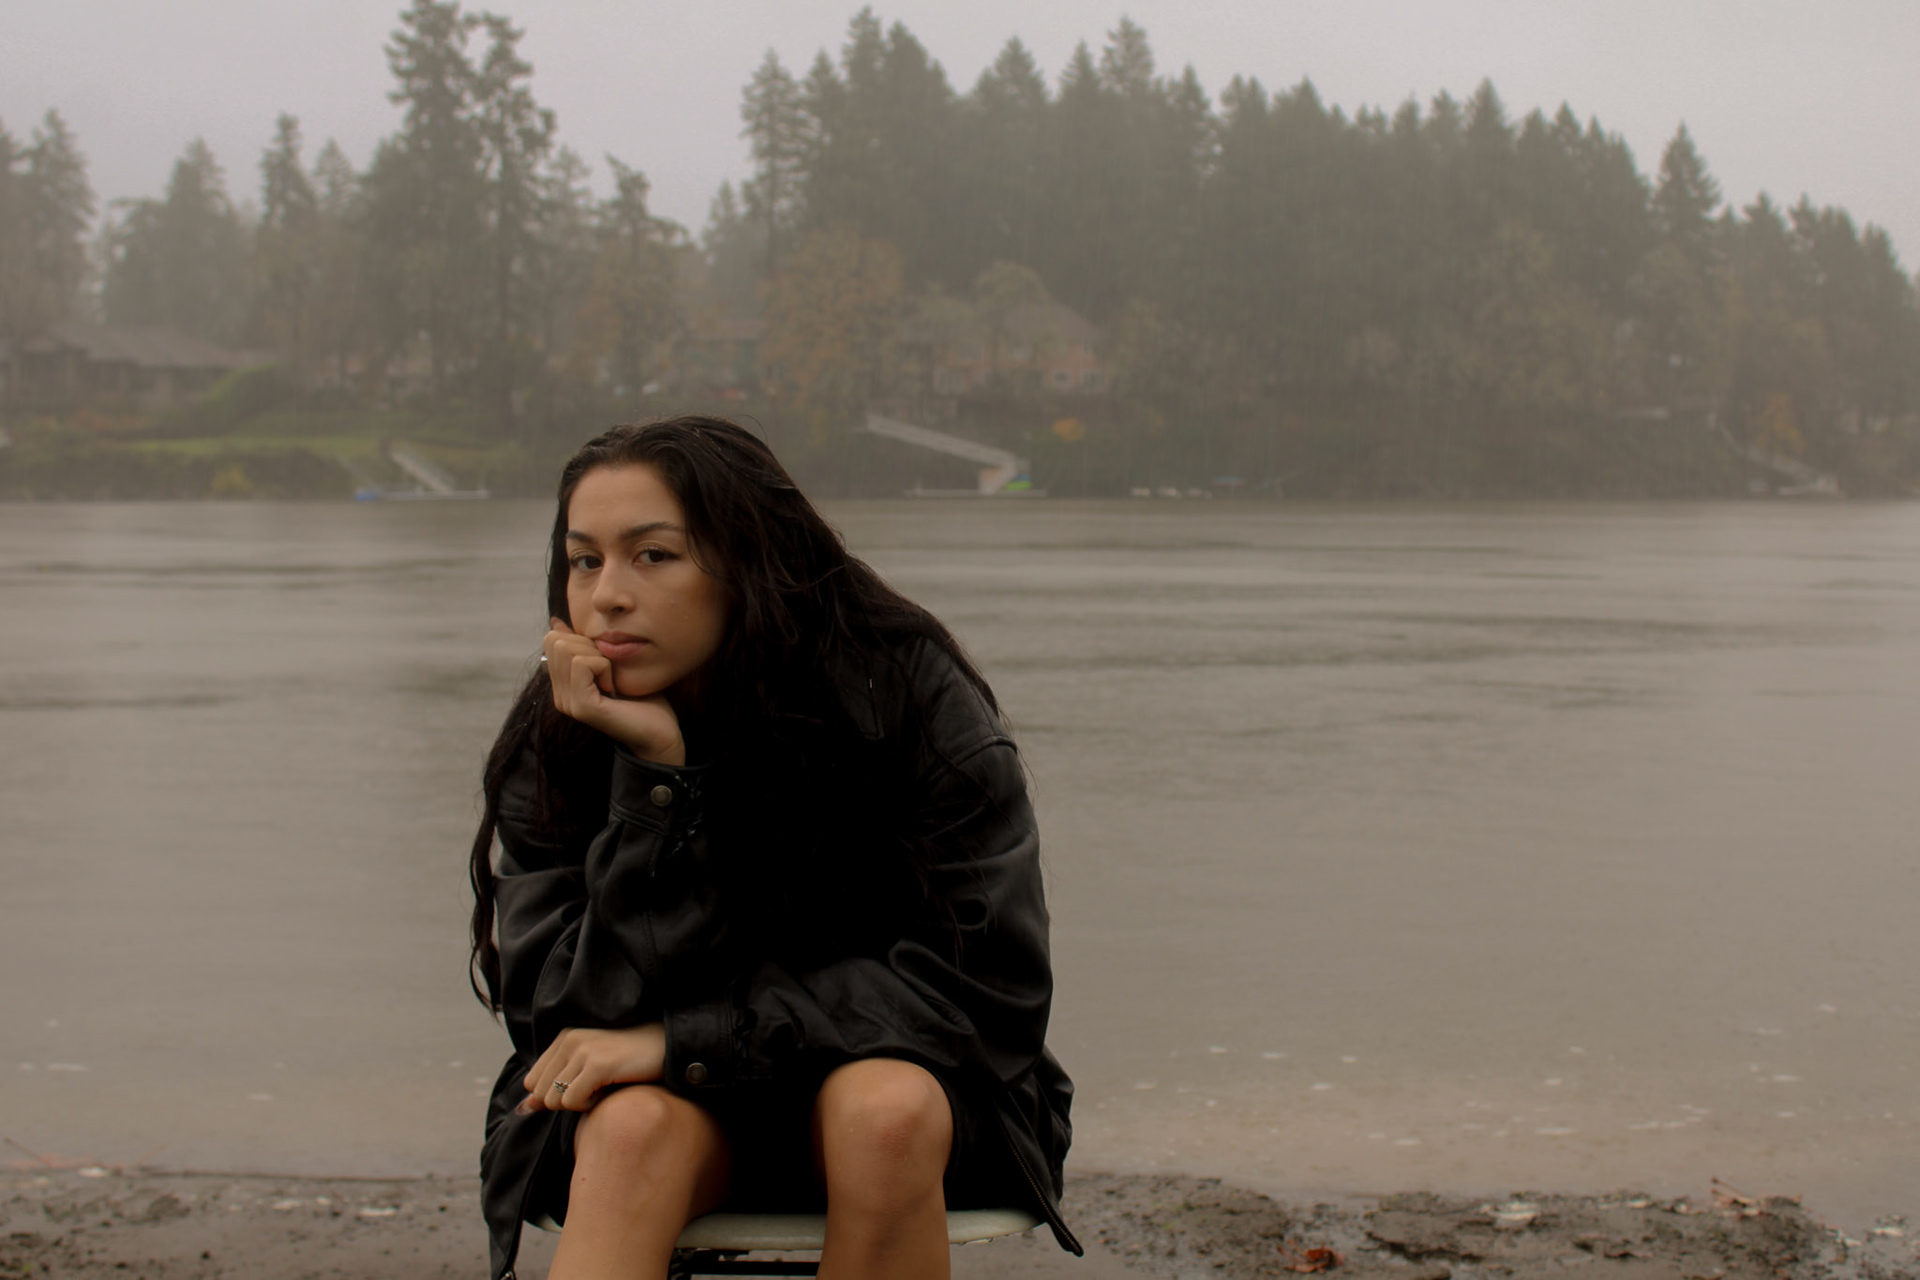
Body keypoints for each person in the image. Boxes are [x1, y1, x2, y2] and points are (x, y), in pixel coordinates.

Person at [468, 418, 1080, 1280]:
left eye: (653, 555)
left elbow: (984, 993)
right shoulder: (562, 735)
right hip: (660, 1109)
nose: (606, 596)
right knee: (630, 1126)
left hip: (922, 1095)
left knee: (884, 1112)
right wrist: (656, 784)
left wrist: (680, 1040)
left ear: (749, 562)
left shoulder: (902, 695)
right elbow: (561, 1019)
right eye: (585, 560)